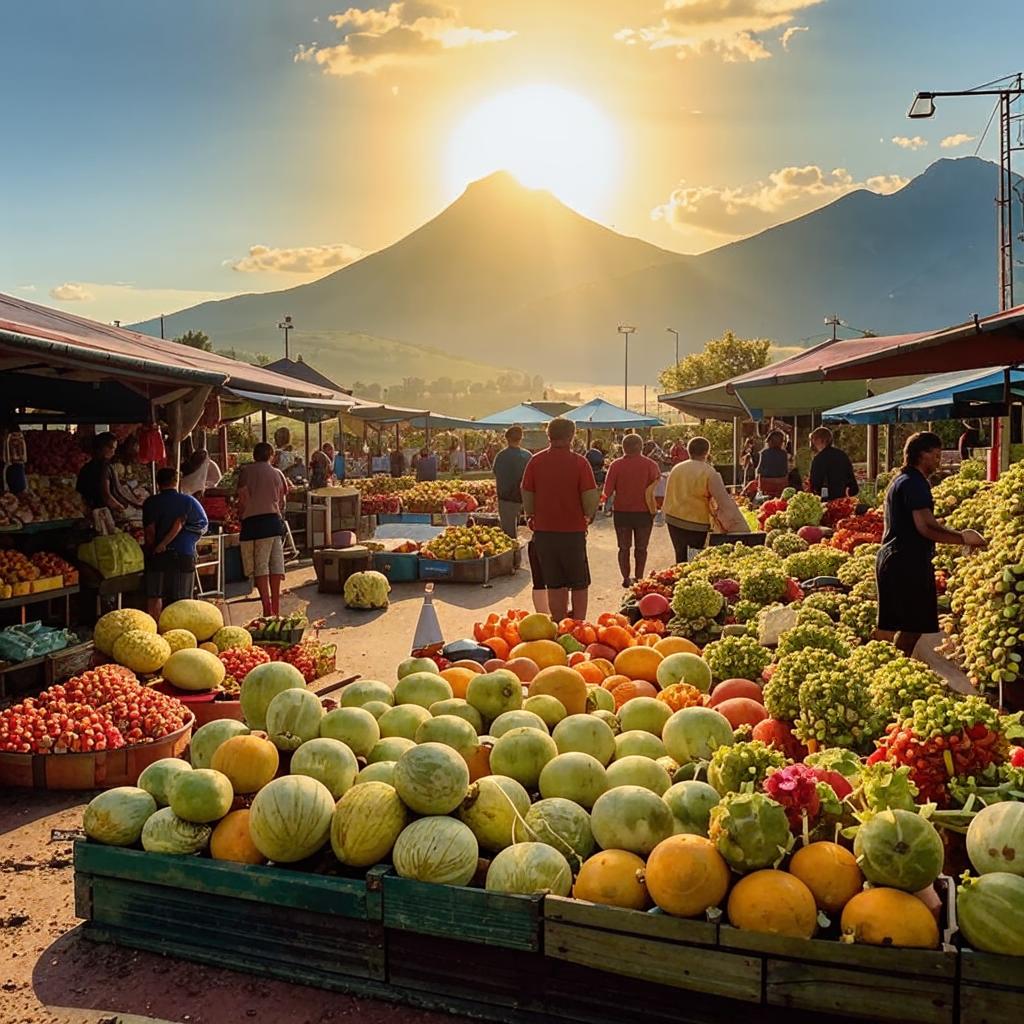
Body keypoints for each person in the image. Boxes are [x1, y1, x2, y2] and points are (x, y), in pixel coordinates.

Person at [875, 431, 985, 656]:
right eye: (936, 455)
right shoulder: (914, 483)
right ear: (921, 455)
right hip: (906, 562)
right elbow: (926, 526)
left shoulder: (902, 480)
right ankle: (894, 667)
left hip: (895, 558)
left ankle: (889, 665)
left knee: (895, 625)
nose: (939, 460)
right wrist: (963, 538)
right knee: (913, 626)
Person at [521, 418, 600, 622]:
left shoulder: (535, 461)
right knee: (579, 581)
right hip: (573, 531)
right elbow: (590, 496)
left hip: (545, 531)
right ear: (572, 436)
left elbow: (527, 492)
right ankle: (579, 624)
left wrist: (531, 516)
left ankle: (559, 622)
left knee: (554, 582)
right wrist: (587, 517)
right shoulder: (580, 463)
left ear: (548, 435)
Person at [663, 436, 748, 563]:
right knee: (693, 556)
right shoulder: (709, 472)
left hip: (673, 518)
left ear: (688, 450)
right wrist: (741, 528)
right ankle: (689, 579)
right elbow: (722, 499)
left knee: (680, 554)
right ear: (707, 452)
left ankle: (679, 577)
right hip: (696, 522)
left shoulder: (677, 468)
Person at [142, 467, 209, 619]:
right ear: (176, 481)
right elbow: (203, 525)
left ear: (158, 483)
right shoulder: (189, 501)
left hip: (157, 555)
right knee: (182, 599)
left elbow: (150, 533)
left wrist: (152, 549)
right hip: (183, 553)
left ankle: (155, 629)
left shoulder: (151, 503)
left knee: (154, 595)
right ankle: (181, 632)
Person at [237, 442, 289, 617]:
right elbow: (282, 500)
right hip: (274, 522)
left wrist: (242, 515)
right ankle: (276, 608)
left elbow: (242, 498)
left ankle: (267, 608)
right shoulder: (277, 473)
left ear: (254, 456)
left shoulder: (246, 472)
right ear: (271, 455)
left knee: (261, 567)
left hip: (255, 524)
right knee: (276, 565)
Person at [602, 434, 661, 588]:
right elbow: (657, 487)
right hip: (644, 512)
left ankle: (626, 577)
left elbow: (607, 491)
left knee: (623, 548)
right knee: (641, 548)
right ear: (641, 447)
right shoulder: (650, 465)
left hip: (622, 513)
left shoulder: (616, 465)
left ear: (623, 447)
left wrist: (602, 506)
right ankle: (639, 578)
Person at [76, 432, 133, 512]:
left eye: (114, 449)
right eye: (111, 448)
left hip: (89, 510)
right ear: (102, 447)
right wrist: (121, 509)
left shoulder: (86, 467)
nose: (113, 452)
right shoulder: (103, 467)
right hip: (101, 512)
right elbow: (106, 496)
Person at [493, 426, 532, 539]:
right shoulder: (527, 456)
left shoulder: (500, 456)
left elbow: (496, 472)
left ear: (507, 439)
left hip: (506, 499)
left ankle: (512, 555)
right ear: (521, 438)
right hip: (524, 497)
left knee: (508, 534)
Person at [808, 427, 858, 500]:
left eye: (814, 439)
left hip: (826, 499)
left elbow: (815, 484)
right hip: (843, 499)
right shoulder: (842, 455)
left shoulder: (819, 459)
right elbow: (852, 484)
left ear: (819, 440)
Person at [756, 429, 790, 497]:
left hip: (766, 484)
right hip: (781, 484)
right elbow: (786, 470)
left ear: (769, 441)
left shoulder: (764, 453)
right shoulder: (784, 454)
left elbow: (759, 470)